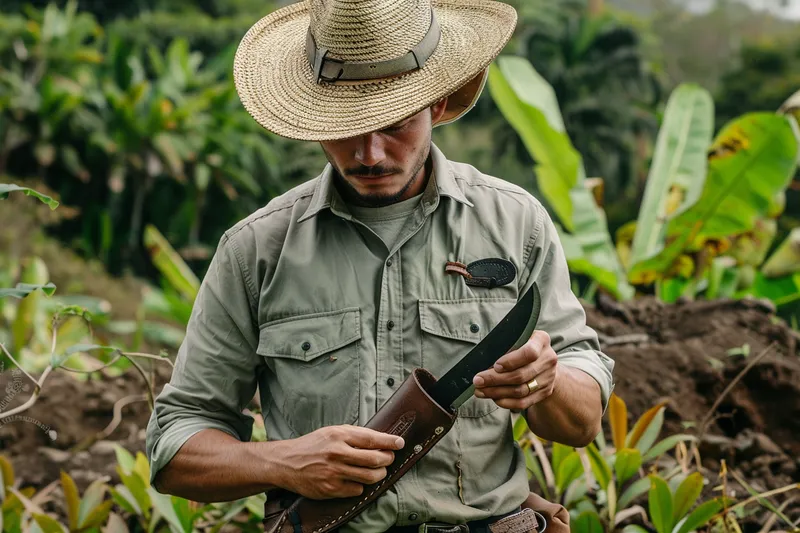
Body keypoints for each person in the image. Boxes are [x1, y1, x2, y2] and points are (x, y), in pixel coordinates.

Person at [145, 0, 615, 531]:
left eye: (394, 124)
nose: (369, 154)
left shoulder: (515, 224)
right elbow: (174, 445)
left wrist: (545, 383)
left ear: (437, 104)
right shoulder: (257, 250)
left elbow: (582, 421)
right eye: (345, 126)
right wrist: (285, 462)